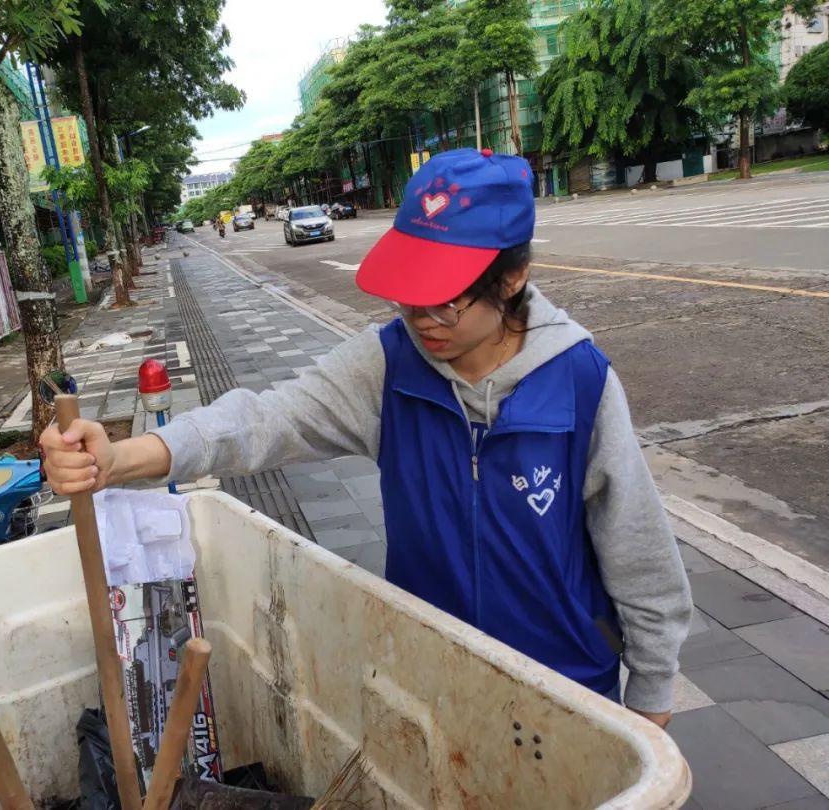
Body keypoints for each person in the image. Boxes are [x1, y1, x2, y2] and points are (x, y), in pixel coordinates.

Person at [40, 148, 692, 728]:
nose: (424, 321)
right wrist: (121, 458)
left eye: (446, 300)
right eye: (410, 297)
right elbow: (266, 421)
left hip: (568, 691)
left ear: (512, 278)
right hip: (435, 678)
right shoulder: (388, 365)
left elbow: (637, 543)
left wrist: (652, 693)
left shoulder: (579, 381)